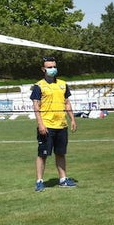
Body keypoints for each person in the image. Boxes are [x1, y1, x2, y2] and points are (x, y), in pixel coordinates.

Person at [31, 55, 78, 191]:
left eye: (54, 67)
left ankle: (63, 179)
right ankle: (39, 181)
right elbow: (36, 106)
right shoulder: (38, 86)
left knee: (61, 153)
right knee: (43, 154)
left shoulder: (63, 84)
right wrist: (40, 124)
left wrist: (72, 119)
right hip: (47, 125)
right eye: (49, 67)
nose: (52, 69)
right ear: (43, 69)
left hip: (61, 125)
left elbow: (67, 103)